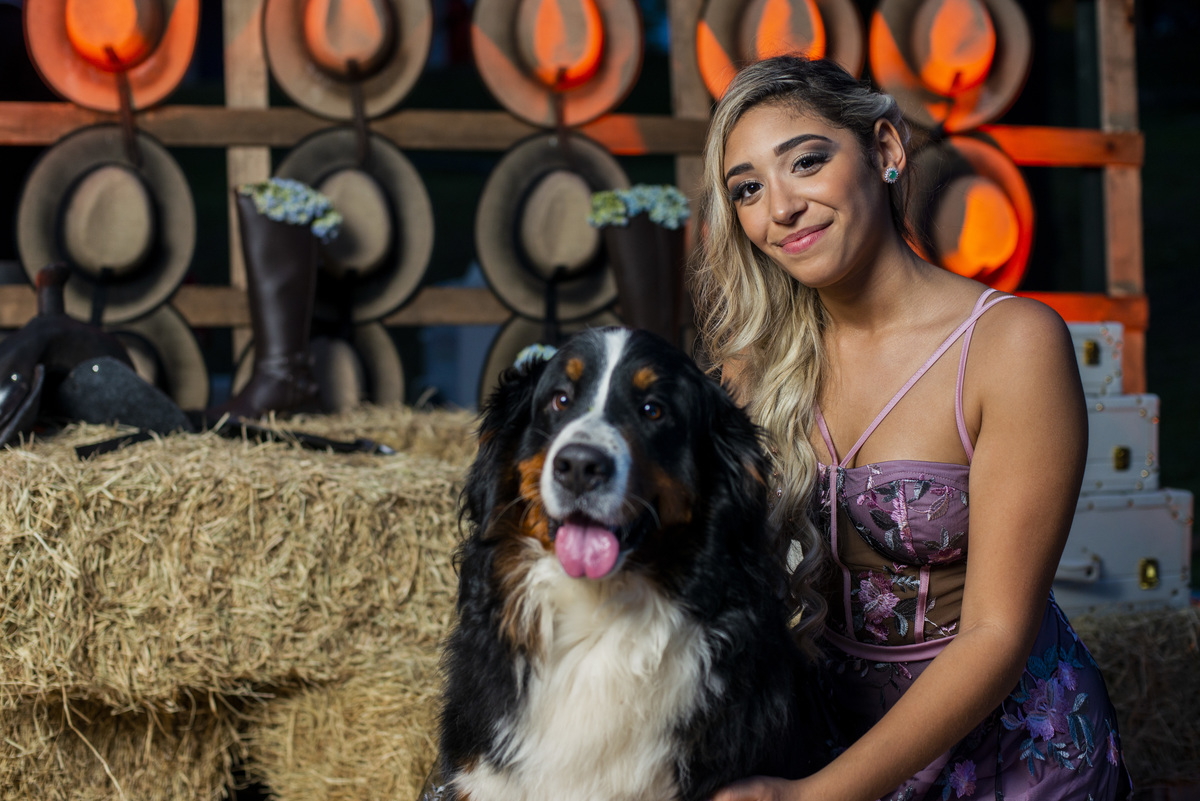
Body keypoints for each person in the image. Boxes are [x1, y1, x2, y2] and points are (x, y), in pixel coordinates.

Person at [691, 55, 1131, 801]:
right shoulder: (748, 369)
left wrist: (814, 797)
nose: (781, 208)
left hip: (1013, 758)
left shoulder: (1011, 345)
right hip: (828, 737)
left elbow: (997, 633)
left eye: (806, 162)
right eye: (748, 189)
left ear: (886, 149)